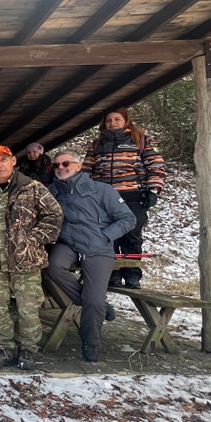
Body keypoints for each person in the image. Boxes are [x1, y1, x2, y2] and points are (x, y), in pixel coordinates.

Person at [0, 146, 63, 371]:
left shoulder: (31, 187)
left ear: (13, 161)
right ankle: (4, 347)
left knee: (28, 308)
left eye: (4, 160)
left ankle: (27, 349)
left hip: (26, 260)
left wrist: (33, 238)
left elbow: (54, 214)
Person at [47, 151, 135, 362]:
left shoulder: (102, 190)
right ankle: (98, 307)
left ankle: (90, 341)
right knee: (52, 267)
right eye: (56, 164)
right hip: (67, 243)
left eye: (66, 163)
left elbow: (128, 219)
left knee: (94, 299)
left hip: (97, 246)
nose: (61, 167)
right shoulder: (52, 191)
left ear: (78, 166)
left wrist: (105, 235)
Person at [82, 108, 165, 289]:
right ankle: (113, 274)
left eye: (117, 119)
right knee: (109, 236)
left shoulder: (141, 140)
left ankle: (133, 275)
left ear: (126, 120)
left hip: (133, 195)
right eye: (109, 120)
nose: (112, 123)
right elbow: (87, 170)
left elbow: (156, 166)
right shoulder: (97, 144)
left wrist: (153, 191)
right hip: (103, 197)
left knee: (131, 236)